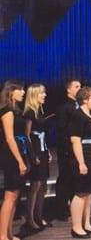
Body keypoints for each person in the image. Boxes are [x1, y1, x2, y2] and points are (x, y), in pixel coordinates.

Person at [69, 86, 91, 239]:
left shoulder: (90, 114)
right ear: (85, 99)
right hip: (85, 157)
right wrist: (81, 163)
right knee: (81, 192)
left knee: (89, 192)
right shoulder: (78, 116)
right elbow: (75, 141)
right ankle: (76, 227)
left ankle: (86, 223)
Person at [0, 82, 28, 240]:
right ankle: (3, 235)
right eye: (20, 89)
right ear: (11, 92)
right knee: (10, 195)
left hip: (18, 153)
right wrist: (20, 161)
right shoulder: (7, 111)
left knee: (15, 195)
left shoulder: (16, 110)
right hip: (11, 156)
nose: (23, 92)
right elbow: (9, 138)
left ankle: (9, 233)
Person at [23, 84, 52, 233]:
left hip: (43, 149)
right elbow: (27, 135)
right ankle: (30, 218)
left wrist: (47, 151)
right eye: (41, 93)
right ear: (34, 95)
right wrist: (32, 154)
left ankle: (39, 216)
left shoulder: (40, 111)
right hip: (35, 150)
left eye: (44, 92)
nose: (44, 95)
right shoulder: (29, 112)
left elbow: (43, 133)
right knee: (36, 185)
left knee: (43, 185)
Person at [55, 78, 81, 221]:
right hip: (67, 149)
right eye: (76, 87)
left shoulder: (80, 105)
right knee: (65, 178)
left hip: (78, 148)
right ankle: (61, 209)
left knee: (75, 178)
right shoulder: (64, 107)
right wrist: (67, 148)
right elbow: (62, 129)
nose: (79, 89)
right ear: (68, 90)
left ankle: (74, 206)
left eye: (80, 86)